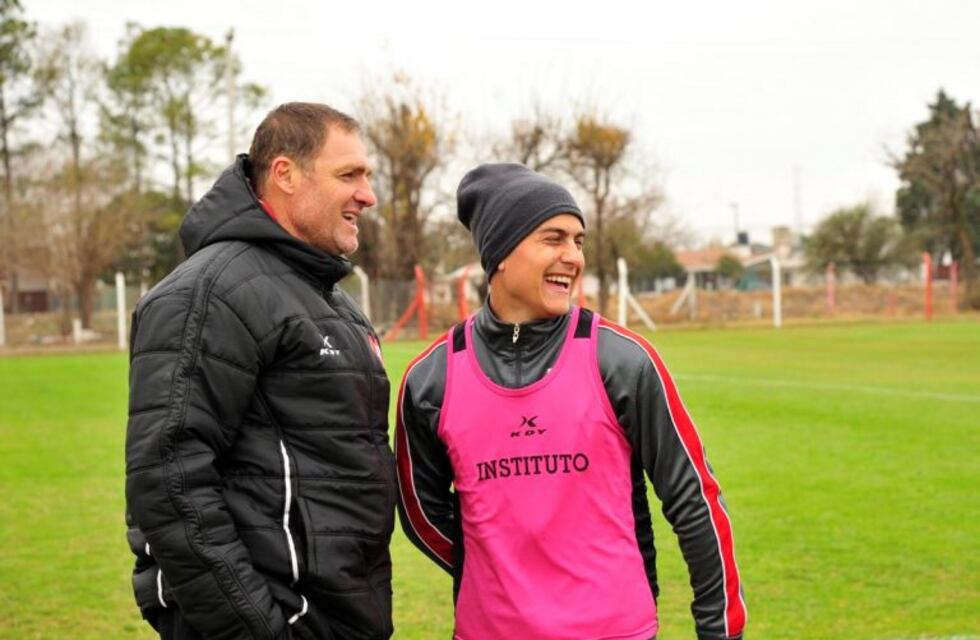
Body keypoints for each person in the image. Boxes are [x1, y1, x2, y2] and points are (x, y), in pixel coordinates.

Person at [395, 163, 746, 640]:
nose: (573, 257)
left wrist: (719, 630)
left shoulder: (621, 360)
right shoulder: (432, 378)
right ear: (499, 253)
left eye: (578, 241)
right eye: (553, 238)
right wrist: (497, 569)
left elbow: (694, 499)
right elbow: (420, 511)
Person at [125, 103, 396, 640]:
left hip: (339, 619)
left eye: (366, 176)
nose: (367, 194)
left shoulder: (333, 303)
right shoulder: (210, 292)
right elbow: (169, 480)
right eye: (349, 175)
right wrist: (256, 628)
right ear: (285, 175)